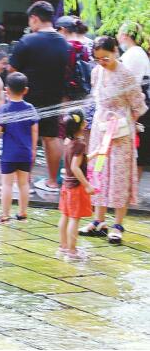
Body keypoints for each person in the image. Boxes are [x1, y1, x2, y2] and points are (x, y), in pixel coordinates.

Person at [79, 36, 147, 244]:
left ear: (116, 51)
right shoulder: (97, 72)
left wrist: (125, 123)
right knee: (98, 172)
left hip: (120, 133)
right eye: (98, 59)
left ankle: (117, 224)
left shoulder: (126, 75)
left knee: (118, 176)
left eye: (105, 58)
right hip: (101, 130)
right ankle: (98, 220)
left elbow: (139, 106)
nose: (102, 62)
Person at [10, 1, 70, 193]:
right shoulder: (64, 43)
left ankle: (24, 182)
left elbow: (13, 70)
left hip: (28, 97)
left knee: (25, 138)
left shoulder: (27, 41)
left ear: (34, 18)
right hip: (54, 97)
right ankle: (53, 182)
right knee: (51, 138)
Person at [0, 72, 39, 223]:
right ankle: (22, 213)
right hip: (25, 153)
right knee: (24, 184)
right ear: (26, 90)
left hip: (9, 155)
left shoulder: (4, 109)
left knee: (7, 185)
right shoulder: (30, 108)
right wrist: (34, 149)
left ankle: (5, 215)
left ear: (7, 90)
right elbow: (35, 130)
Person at [58, 110, 95, 260]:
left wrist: (95, 154)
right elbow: (75, 166)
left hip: (66, 185)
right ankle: (72, 251)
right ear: (80, 125)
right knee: (75, 218)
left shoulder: (68, 141)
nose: (86, 122)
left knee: (65, 216)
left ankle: (63, 247)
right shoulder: (80, 144)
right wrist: (87, 185)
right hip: (76, 187)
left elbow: (78, 161)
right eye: (84, 120)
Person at [117, 22, 150, 180]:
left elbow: (130, 84)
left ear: (125, 35)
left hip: (137, 106)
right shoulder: (136, 53)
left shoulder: (134, 54)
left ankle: (130, 190)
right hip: (137, 104)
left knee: (136, 149)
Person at [55, 15, 92, 101]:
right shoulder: (84, 47)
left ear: (63, 29)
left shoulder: (64, 47)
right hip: (82, 91)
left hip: (67, 94)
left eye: (57, 30)